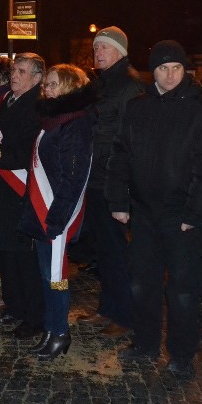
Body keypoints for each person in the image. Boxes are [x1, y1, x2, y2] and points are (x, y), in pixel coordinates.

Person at [106, 40, 202, 378]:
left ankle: (182, 353)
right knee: (142, 283)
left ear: (184, 70)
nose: (170, 75)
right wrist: (118, 201)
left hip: (180, 216)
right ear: (152, 71)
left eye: (175, 68)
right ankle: (145, 343)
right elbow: (120, 157)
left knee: (183, 289)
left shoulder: (201, 110)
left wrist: (194, 214)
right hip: (143, 213)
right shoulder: (138, 107)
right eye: (162, 68)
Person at [19, 64, 96, 360]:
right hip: (42, 210)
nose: (46, 89)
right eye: (46, 85)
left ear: (69, 87)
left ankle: (60, 332)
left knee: (56, 276)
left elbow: (74, 176)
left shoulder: (76, 123)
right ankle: (51, 330)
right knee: (45, 274)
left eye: (52, 84)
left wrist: (58, 216)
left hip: (56, 212)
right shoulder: (51, 119)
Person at [78, 26, 144, 339]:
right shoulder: (101, 84)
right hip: (95, 178)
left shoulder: (129, 86)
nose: (98, 53)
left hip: (112, 180)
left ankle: (125, 315)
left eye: (104, 47)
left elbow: (126, 139)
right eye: (96, 48)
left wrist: (116, 177)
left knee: (118, 252)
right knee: (103, 251)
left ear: (121, 51)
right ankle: (107, 307)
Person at [0, 52, 46, 340]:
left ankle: (34, 318)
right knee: (5, 255)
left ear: (37, 77)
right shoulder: (7, 101)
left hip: (19, 190)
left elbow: (24, 152)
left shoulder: (38, 108)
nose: (14, 75)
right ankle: (15, 307)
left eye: (21, 71)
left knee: (23, 260)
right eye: (14, 70)